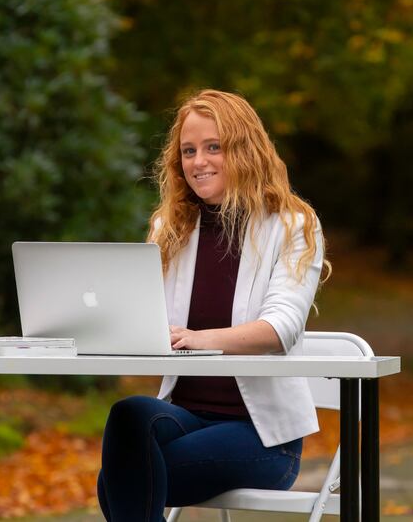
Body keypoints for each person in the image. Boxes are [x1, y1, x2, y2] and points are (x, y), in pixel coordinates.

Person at [96, 89, 330, 521]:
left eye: (213, 147)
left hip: (261, 436)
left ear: (244, 150)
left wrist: (198, 339)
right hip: (184, 416)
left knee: (120, 477)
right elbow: (149, 322)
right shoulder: (170, 227)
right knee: (129, 415)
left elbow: (280, 330)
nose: (197, 161)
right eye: (188, 150)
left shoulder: (293, 225)